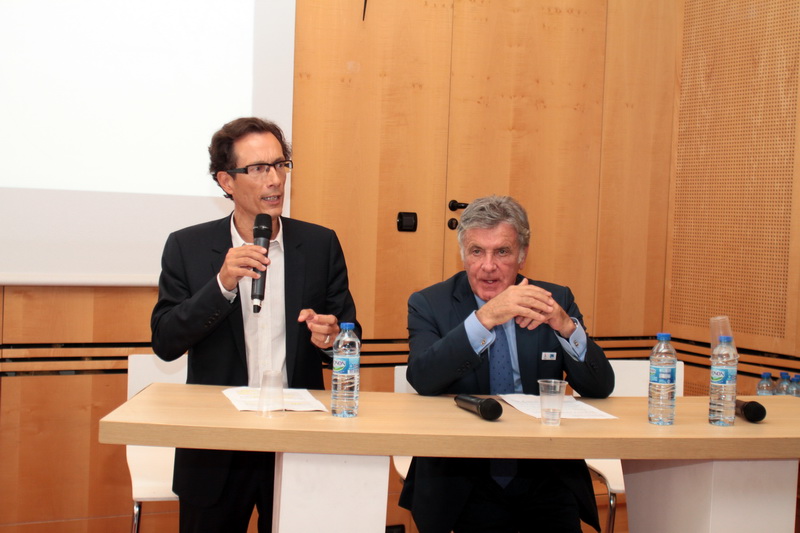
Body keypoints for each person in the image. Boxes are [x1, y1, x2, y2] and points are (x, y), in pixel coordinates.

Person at [151, 117, 359, 532]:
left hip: (297, 439)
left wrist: (331, 338)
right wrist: (221, 285)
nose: (275, 180)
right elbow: (166, 341)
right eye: (259, 169)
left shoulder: (319, 244)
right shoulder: (187, 246)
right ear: (226, 181)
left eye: (281, 165)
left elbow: (349, 334)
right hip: (216, 444)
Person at [399, 195, 614, 533]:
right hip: (461, 476)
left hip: (545, 472)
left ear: (522, 255)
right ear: (463, 254)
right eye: (476, 252)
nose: (488, 266)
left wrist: (564, 325)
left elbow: (600, 387)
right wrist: (484, 319)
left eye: (502, 252)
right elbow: (423, 377)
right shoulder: (429, 303)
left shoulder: (552, 299)